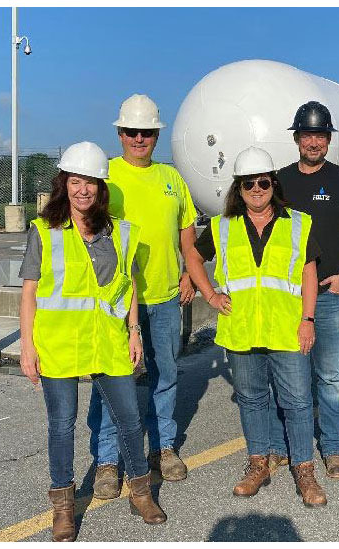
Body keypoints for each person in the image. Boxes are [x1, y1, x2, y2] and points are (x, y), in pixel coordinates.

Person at [19, 142, 167, 541]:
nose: (83, 190)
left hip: (109, 342)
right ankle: (64, 508)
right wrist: (27, 346)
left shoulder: (120, 232)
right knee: (62, 425)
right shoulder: (44, 232)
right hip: (59, 343)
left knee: (130, 420)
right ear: (64, 184)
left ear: (102, 188)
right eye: (75, 181)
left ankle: (140, 491)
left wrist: (134, 331)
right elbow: (30, 291)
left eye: (91, 183)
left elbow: (128, 287)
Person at [185, 147, 328, 508]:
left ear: (273, 183)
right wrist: (210, 295)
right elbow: (193, 257)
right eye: (249, 184)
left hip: (287, 329)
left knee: (296, 402)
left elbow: (309, 275)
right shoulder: (222, 226)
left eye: (263, 182)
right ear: (239, 187)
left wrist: (308, 319)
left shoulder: (298, 222)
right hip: (241, 330)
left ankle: (304, 471)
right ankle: (258, 463)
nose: (257, 189)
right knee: (251, 400)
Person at [87, 94, 197, 497]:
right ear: (120, 134)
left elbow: (188, 235)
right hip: (116, 302)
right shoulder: (107, 179)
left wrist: (190, 274)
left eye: (146, 133)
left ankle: (163, 449)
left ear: (156, 136)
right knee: (112, 382)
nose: (139, 139)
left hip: (165, 296)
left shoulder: (172, 179)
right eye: (131, 132)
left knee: (164, 376)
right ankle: (107, 460)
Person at [268, 101, 339, 479]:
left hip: (329, 295)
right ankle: (283, 447)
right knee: (288, 376)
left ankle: (333, 447)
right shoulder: (277, 182)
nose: (314, 142)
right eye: (308, 135)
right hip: (287, 296)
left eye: (321, 135)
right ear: (296, 138)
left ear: (329, 139)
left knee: (330, 376)